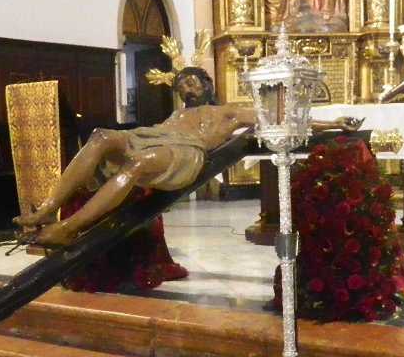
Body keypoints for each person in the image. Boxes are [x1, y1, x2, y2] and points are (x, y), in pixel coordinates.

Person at [13, 68, 255, 247]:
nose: (187, 91)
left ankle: (69, 228)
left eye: (191, 84)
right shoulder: (176, 114)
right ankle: (48, 208)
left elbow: (264, 116)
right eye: (181, 88)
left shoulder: (227, 112)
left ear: (207, 83)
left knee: (139, 162)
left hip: (185, 148)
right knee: (100, 136)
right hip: (154, 136)